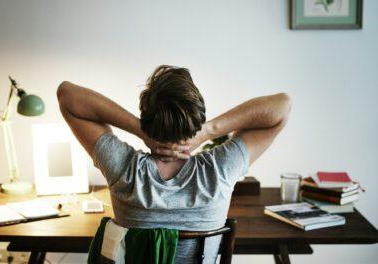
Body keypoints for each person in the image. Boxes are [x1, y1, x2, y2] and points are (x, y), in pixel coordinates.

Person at [57, 65, 292, 263]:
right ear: (197, 119)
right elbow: (282, 106)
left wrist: (140, 130)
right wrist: (208, 131)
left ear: (147, 119)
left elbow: (67, 95)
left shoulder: (122, 167)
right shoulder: (220, 169)